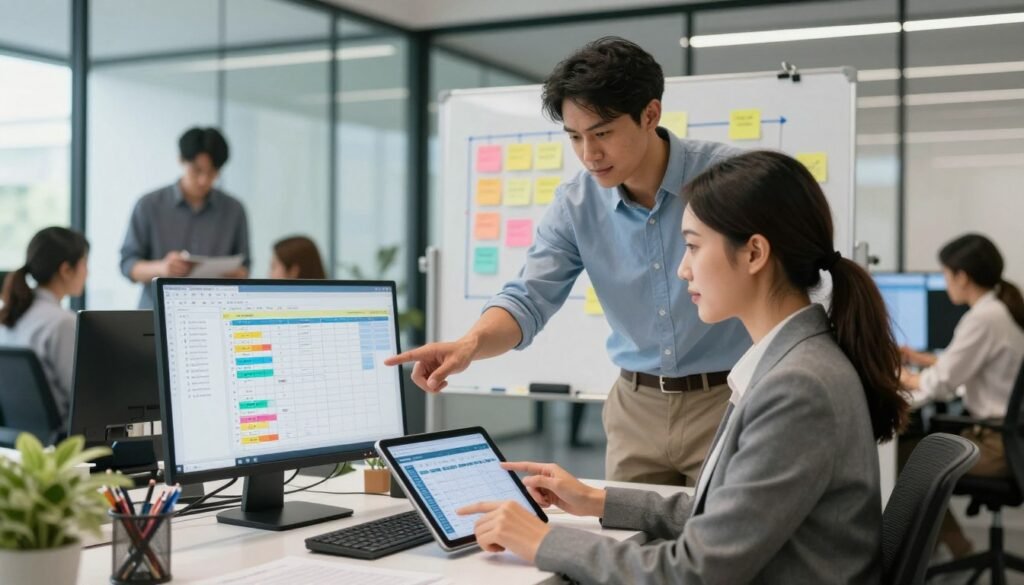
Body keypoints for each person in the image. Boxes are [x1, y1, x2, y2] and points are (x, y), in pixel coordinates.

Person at [454, 150, 909, 584]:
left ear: (754, 254)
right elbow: (728, 514)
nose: (682, 271)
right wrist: (596, 499)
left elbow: (693, 572)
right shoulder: (793, 360)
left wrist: (543, 539)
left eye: (692, 247)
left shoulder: (797, 387)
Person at [387, 37, 750, 486]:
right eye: (575, 137)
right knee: (625, 543)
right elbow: (528, 298)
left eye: (602, 133)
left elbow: (790, 284)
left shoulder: (729, 180)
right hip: (635, 410)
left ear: (651, 115)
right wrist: (470, 345)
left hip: (730, 400)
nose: (588, 154)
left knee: (726, 546)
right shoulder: (576, 203)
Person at [900, 233, 1024, 559]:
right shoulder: (1000, 307)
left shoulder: (983, 318)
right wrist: (923, 361)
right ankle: (953, 547)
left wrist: (902, 376)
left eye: (945, 274)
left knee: (907, 459)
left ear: (962, 276)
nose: (945, 282)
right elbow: (969, 367)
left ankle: (954, 549)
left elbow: (939, 384)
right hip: (1009, 440)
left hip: (997, 447)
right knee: (916, 449)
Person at [119, 126, 250, 309]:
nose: (204, 180)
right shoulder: (149, 205)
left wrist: (238, 274)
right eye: (197, 170)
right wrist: (162, 268)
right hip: (157, 314)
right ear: (181, 160)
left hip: (215, 314)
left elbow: (245, 265)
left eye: (212, 173)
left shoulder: (234, 210)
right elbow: (127, 265)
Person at [0, 227, 90, 420]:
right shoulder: (63, 323)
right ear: (66, 269)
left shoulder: (9, 317)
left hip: (20, 442)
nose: (88, 273)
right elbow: (83, 399)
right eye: (85, 264)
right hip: (63, 445)